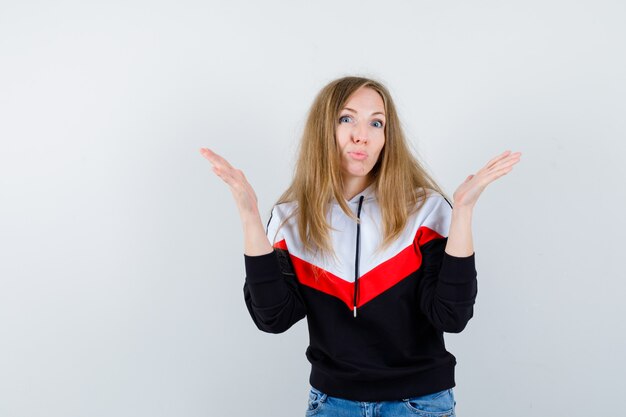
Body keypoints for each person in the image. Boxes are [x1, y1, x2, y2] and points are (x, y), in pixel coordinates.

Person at [200, 76, 521, 416]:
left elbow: (451, 316)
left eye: (376, 123)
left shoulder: (426, 210)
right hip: (331, 404)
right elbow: (274, 318)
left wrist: (464, 212)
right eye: (346, 118)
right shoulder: (291, 218)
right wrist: (250, 217)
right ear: (324, 129)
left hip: (419, 403)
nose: (361, 135)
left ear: (387, 137)